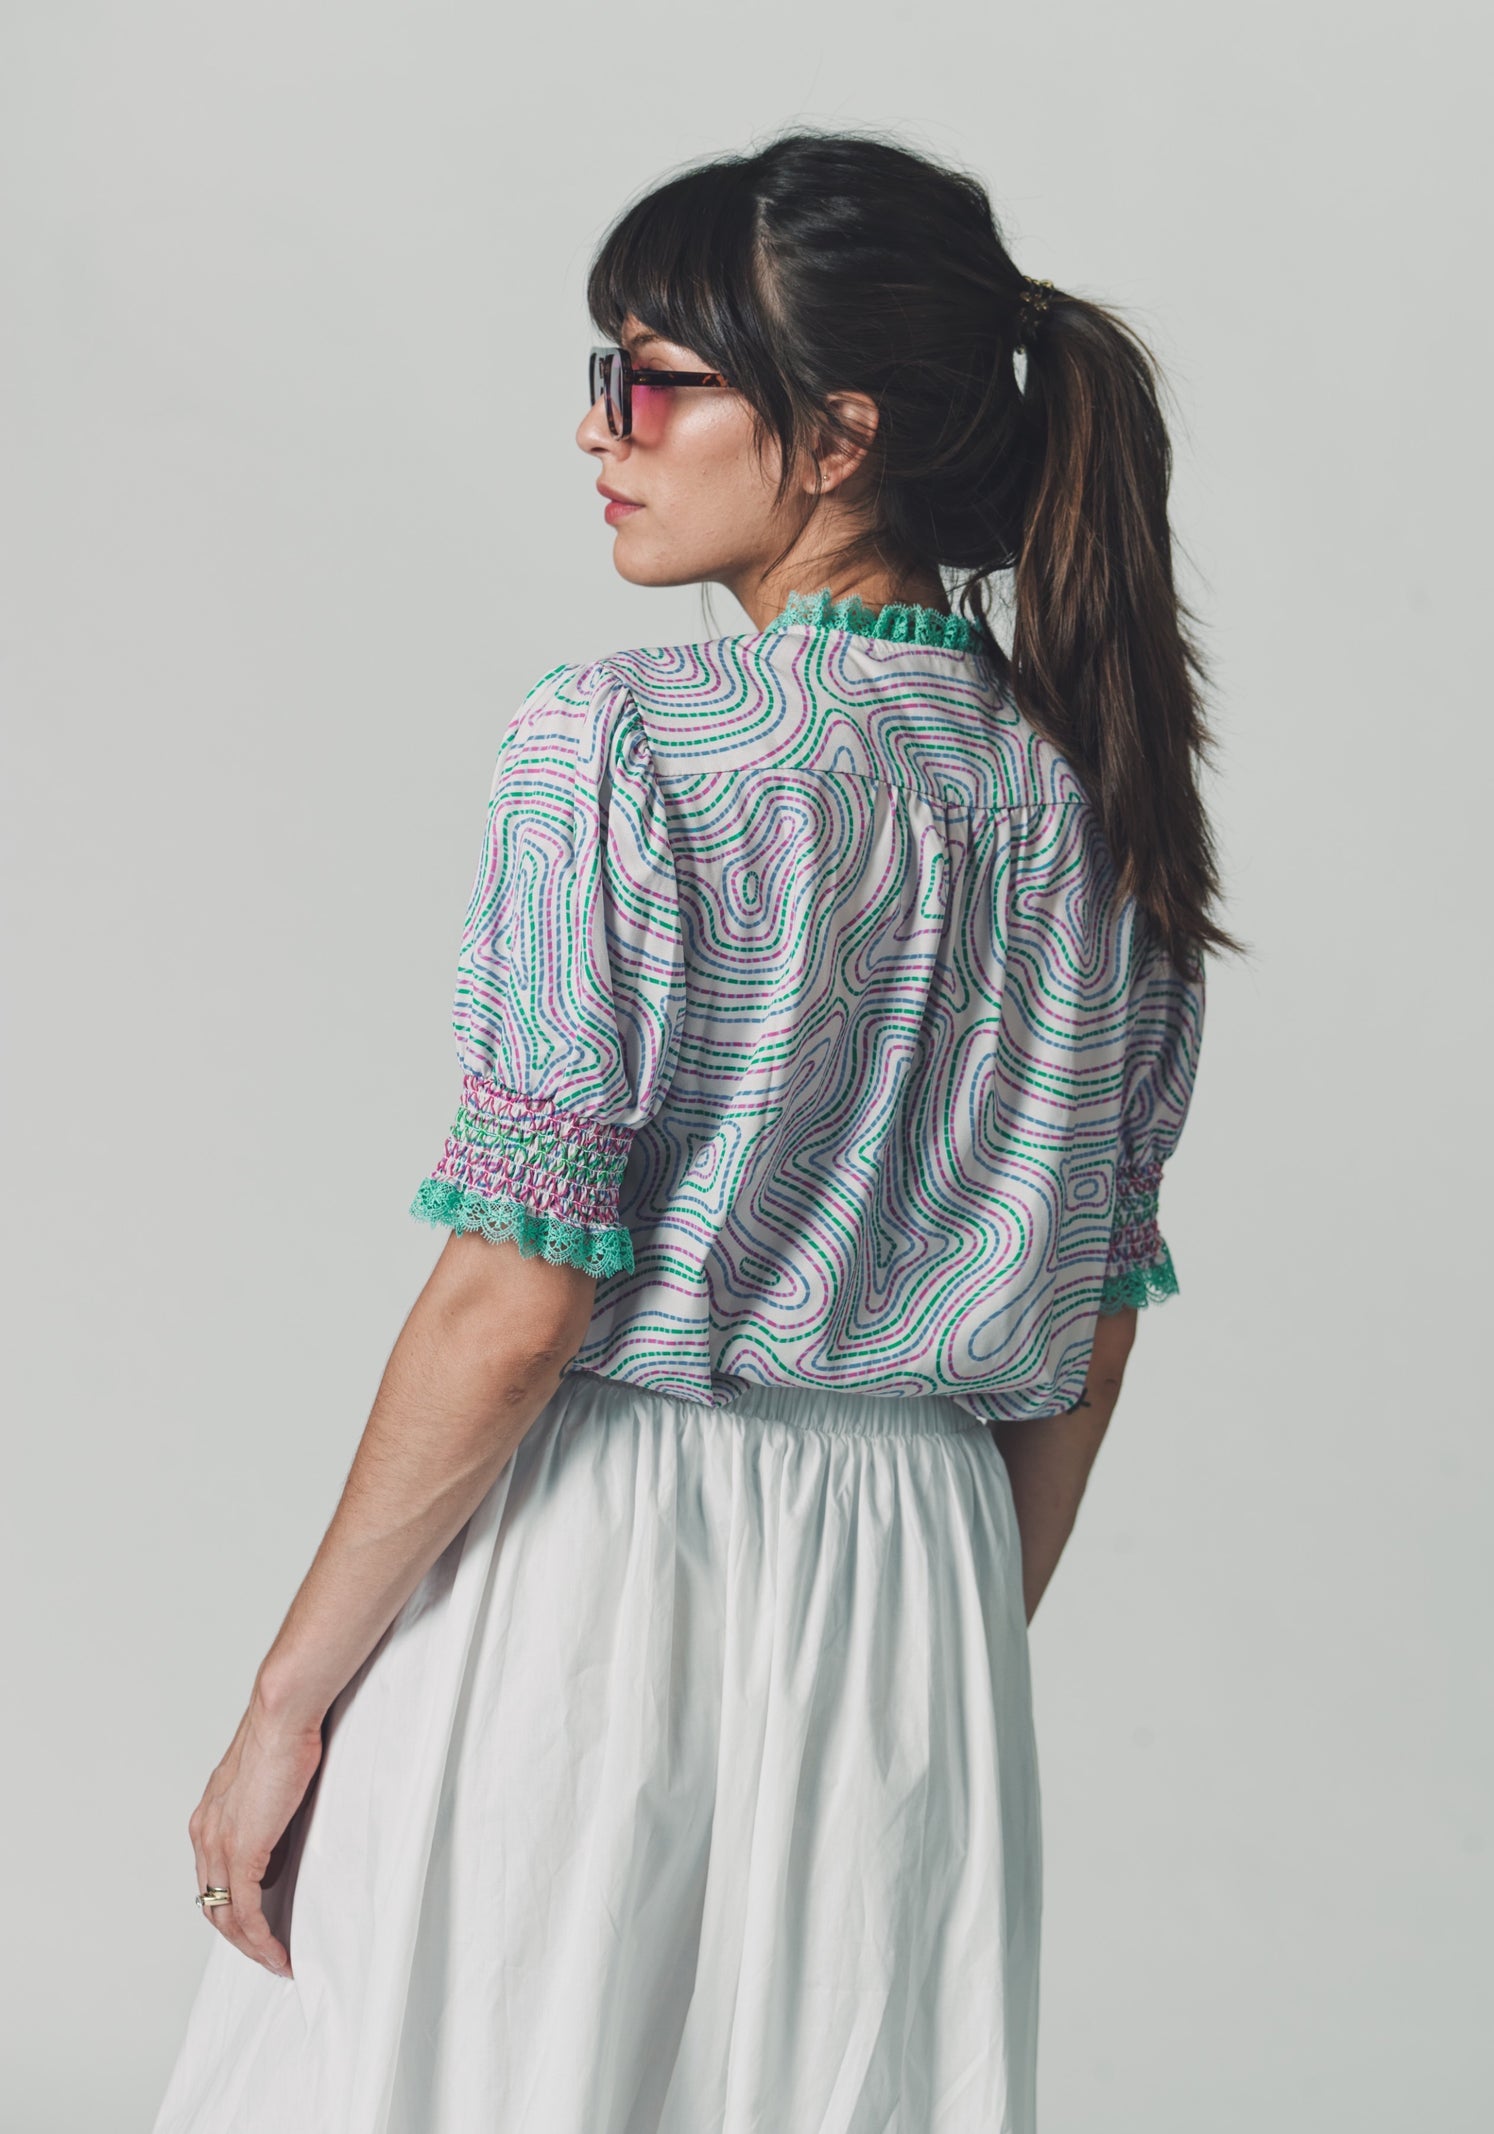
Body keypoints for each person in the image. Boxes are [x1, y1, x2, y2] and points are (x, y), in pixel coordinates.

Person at [152, 127, 1236, 2134]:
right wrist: (934, 1666)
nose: (599, 431)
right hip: (917, 1578)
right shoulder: (1101, 805)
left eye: (649, 381)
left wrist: (283, 1703)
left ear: (832, 435)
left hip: (611, 1558)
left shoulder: (628, 736)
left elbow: (512, 1295)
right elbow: (1088, 1331)